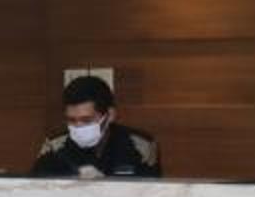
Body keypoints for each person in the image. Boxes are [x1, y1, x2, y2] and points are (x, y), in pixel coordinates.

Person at [29, 74, 159, 180]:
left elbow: (151, 196)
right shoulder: (54, 146)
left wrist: (106, 186)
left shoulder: (140, 145)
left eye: (86, 120)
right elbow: (35, 192)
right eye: (72, 120)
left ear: (110, 115)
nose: (78, 127)